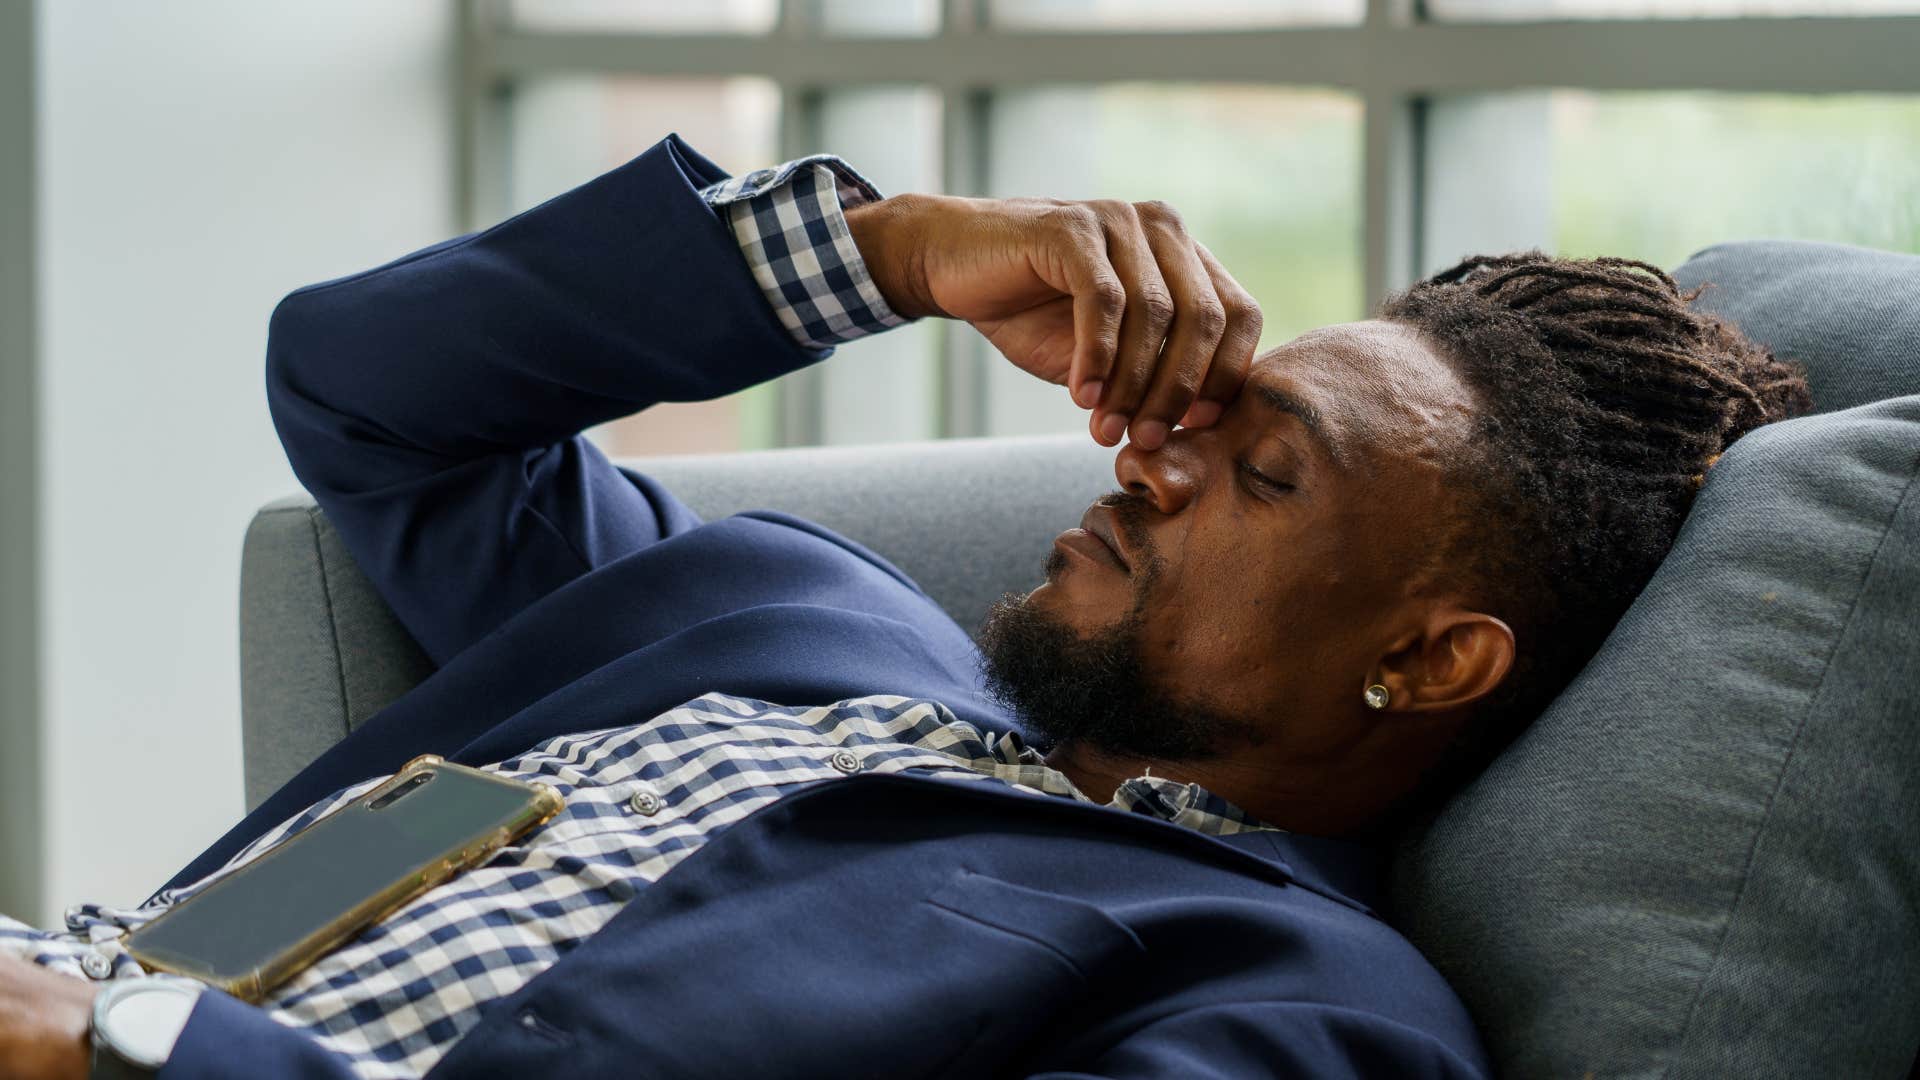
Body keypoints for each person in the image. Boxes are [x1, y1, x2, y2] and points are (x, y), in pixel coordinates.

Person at [0, 133, 1809, 1079]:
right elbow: (363, 388)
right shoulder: (781, 606)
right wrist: (895, 255)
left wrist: (149, 1055)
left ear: (1428, 655)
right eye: (1198, 417)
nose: (1149, 460)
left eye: (1267, 474)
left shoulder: (1298, 1006)